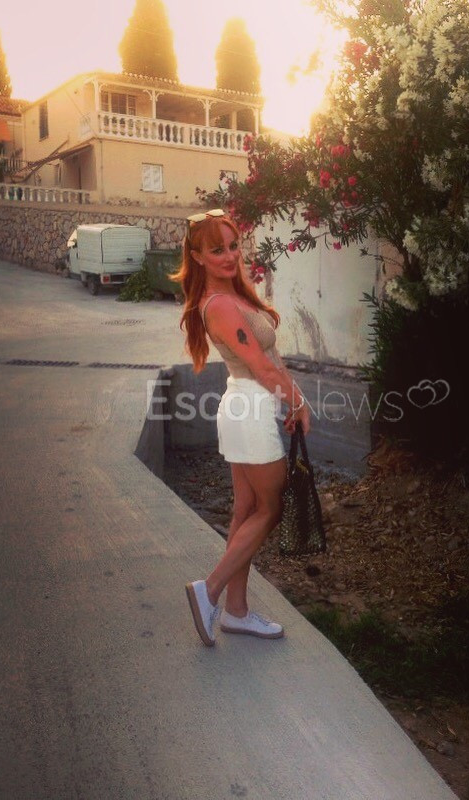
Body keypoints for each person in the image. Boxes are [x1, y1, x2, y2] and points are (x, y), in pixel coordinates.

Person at [170, 209, 310, 647]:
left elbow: (271, 364)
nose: (230, 256)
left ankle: (235, 612)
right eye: (217, 250)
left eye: (233, 246)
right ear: (198, 257)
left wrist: (290, 395)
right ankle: (209, 591)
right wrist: (298, 402)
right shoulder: (220, 305)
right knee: (270, 509)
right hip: (250, 409)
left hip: (247, 406)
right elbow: (262, 368)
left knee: (246, 510)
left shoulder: (234, 296)